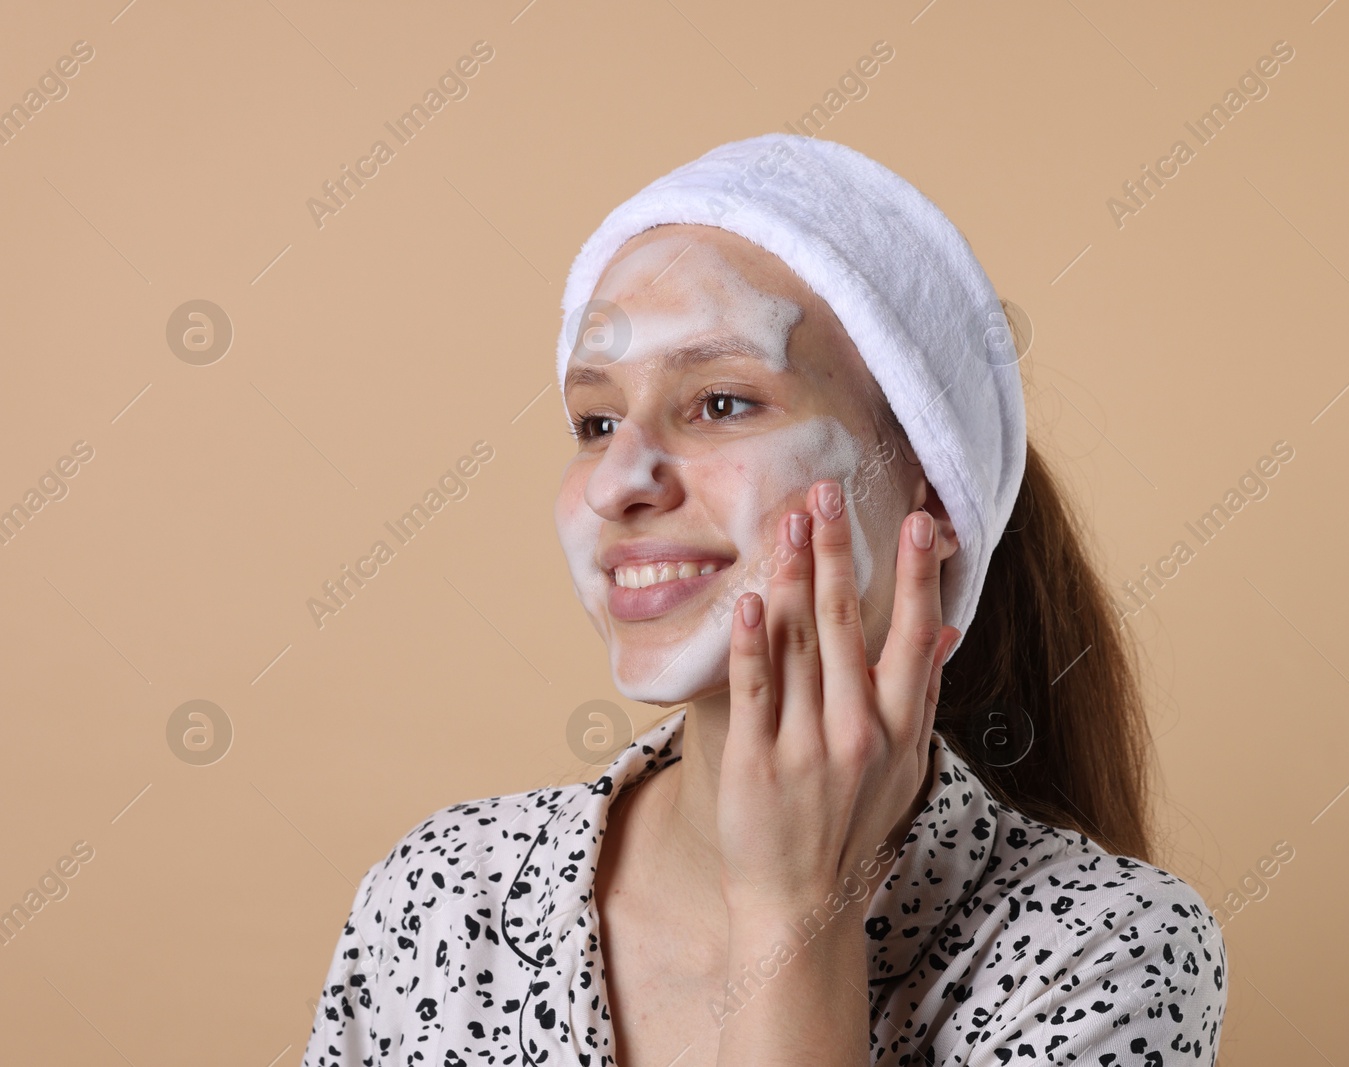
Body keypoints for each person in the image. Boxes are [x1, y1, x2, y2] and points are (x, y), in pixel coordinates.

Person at [300, 134, 1226, 1067]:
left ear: (934, 496)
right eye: (596, 420)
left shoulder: (1102, 952)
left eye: (723, 402)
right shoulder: (448, 896)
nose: (619, 478)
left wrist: (794, 912)